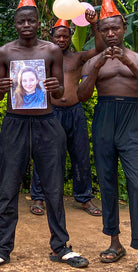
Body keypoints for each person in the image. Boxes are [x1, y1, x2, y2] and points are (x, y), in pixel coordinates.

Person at [0, 0, 89, 271]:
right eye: (21, 21)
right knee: (8, 186)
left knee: (53, 187)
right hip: (15, 124)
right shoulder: (4, 52)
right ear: (14, 24)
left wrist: (54, 85)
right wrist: (0, 87)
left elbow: (60, 91)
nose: (26, 25)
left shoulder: (51, 50)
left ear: (39, 22)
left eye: (31, 20)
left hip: (46, 122)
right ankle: (1, 249)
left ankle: (61, 247)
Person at [77, 0, 138, 272]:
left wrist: (127, 64)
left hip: (131, 120)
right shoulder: (92, 62)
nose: (111, 33)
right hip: (104, 118)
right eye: (105, 29)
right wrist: (100, 63)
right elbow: (83, 95)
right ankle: (115, 242)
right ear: (99, 31)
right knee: (108, 183)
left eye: (116, 28)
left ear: (124, 29)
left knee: (136, 185)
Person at [30, 15, 103, 217]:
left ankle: (84, 197)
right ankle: (38, 196)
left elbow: (99, 48)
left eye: (65, 36)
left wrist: (94, 24)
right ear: (51, 37)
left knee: (80, 155)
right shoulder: (44, 57)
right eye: (58, 36)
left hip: (75, 111)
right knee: (45, 154)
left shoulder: (77, 57)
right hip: (51, 112)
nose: (61, 40)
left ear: (70, 37)